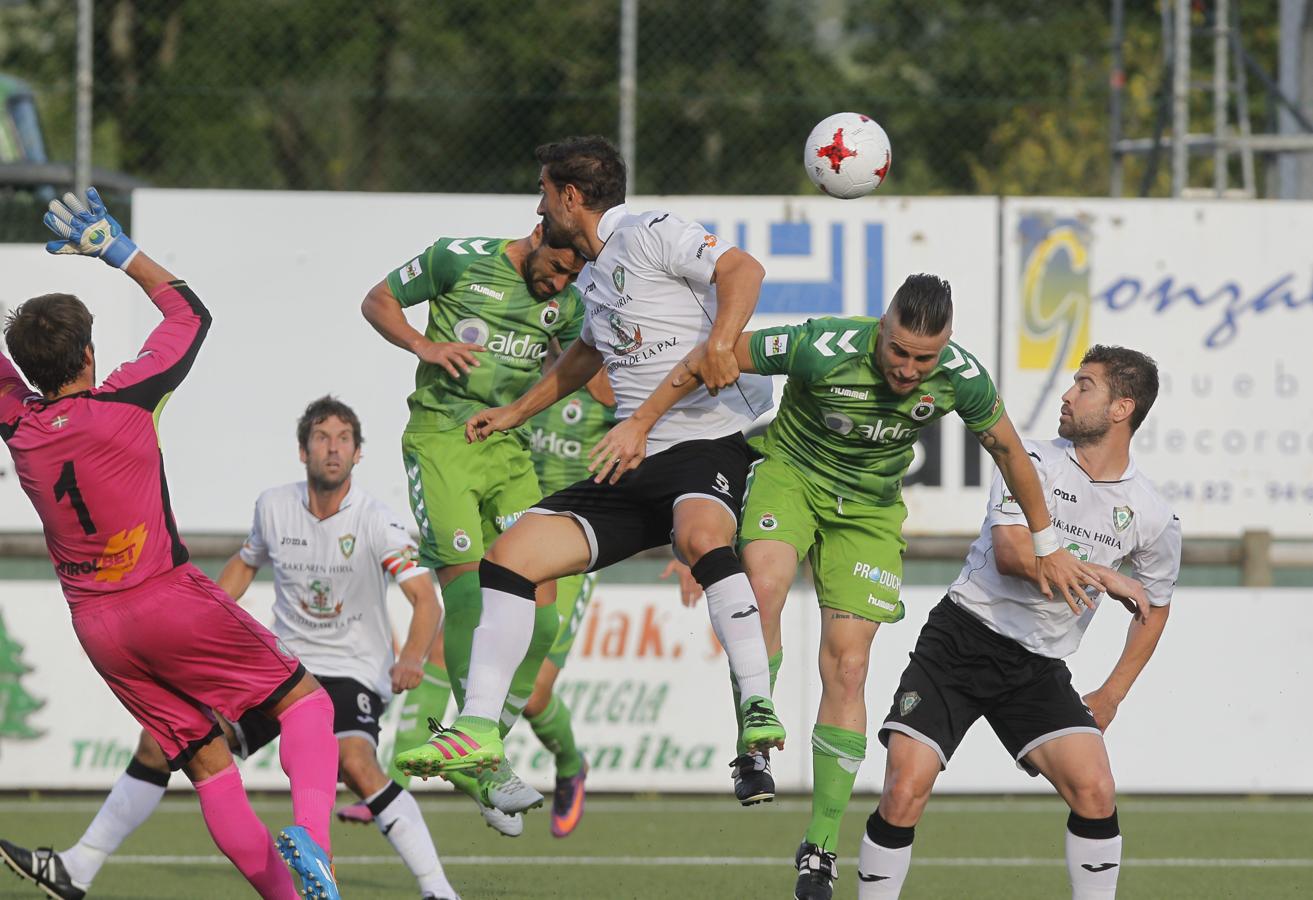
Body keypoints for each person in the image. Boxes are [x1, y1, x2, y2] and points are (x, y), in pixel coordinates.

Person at [587, 273, 1103, 900]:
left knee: (851, 667)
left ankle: (820, 846)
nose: (909, 370)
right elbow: (712, 357)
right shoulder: (821, 344)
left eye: (924, 358)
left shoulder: (961, 377)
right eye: (898, 352)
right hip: (790, 477)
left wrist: (1046, 543)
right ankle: (755, 729)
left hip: (868, 511)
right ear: (880, 330)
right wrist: (641, 423)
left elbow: (1011, 454)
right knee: (765, 584)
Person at [395, 134, 786, 780]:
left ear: (570, 196)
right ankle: (476, 731)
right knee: (511, 556)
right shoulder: (594, 276)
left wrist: (721, 341)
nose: (539, 207)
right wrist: (515, 413)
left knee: (698, 535)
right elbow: (584, 356)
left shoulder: (652, 228)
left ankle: (755, 703)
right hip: (633, 456)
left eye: (544, 194)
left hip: (706, 437)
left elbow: (743, 271)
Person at [0, 190, 339, 900]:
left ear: (26, 367)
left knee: (209, 762)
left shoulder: (19, 428)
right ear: (90, 352)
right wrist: (116, 248)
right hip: (165, 597)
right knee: (307, 705)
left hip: (98, 627)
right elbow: (190, 314)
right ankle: (314, 838)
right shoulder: (124, 401)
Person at [1, 397, 459, 900]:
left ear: (358, 454)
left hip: (351, 668)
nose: (333, 448)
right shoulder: (274, 506)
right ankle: (79, 866)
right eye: (322, 437)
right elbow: (244, 565)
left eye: (344, 438)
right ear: (302, 450)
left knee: (355, 759)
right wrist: (207, 615)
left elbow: (424, 599)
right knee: (160, 744)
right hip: (280, 662)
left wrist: (413, 656)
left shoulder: (375, 520)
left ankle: (437, 889)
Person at [860, 346, 1180, 900]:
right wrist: (1105, 575)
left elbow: (1155, 609)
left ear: (1122, 408)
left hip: (1037, 665)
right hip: (960, 641)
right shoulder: (1028, 458)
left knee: (1096, 790)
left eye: (1084, 386)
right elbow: (1011, 555)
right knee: (904, 791)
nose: (1067, 395)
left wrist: (1112, 693)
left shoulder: (1153, 513)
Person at [362, 219, 586, 828]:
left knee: (543, 615)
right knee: (467, 596)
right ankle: (486, 768)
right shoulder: (457, 260)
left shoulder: (567, 303)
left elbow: (587, 365)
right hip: (442, 443)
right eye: (557, 268)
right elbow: (376, 300)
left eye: (572, 276)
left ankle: (480, 751)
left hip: (508, 450)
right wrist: (423, 345)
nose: (559, 284)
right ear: (540, 232)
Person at [519, 367, 616, 837]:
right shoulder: (532, 378)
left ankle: (571, 764)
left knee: (535, 694)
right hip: (511, 540)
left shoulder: (621, 396)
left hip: (571, 554)